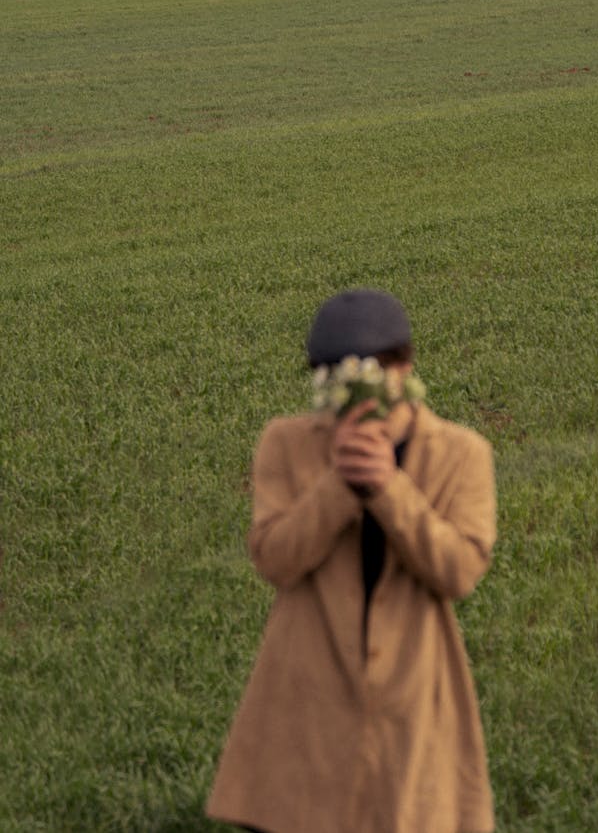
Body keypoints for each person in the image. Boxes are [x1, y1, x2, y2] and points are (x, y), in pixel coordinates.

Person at [206, 289, 497, 833]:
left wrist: (388, 487)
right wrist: (338, 485)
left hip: (414, 691)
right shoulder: (286, 444)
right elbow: (274, 560)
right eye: (333, 376)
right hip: (305, 694)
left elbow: (459, 571)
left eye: (367, 372)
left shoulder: (461, 454)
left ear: (404, 368)